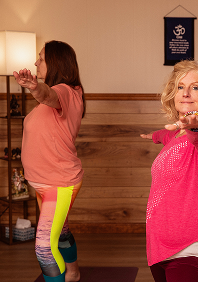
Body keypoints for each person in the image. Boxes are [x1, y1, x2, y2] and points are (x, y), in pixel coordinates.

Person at [140, 60, 198, 282]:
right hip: (158, 248)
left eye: (195, 87)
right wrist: (156, 136)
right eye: (180, 87)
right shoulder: (175, 136)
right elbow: (168, 136)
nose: (186, 93)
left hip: (189, 249)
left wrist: (195, 125)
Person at [13, 40, 85, 282]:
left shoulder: (66, 92)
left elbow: (49, 94)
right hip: (44, 183)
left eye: (41, 57)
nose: (36, 62)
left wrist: (35, 87)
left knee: (44, 247)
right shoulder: (65, 94)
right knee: (61, 231)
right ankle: (73, 272)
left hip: (58, 184)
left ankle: (69, 274)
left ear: (56, 61)